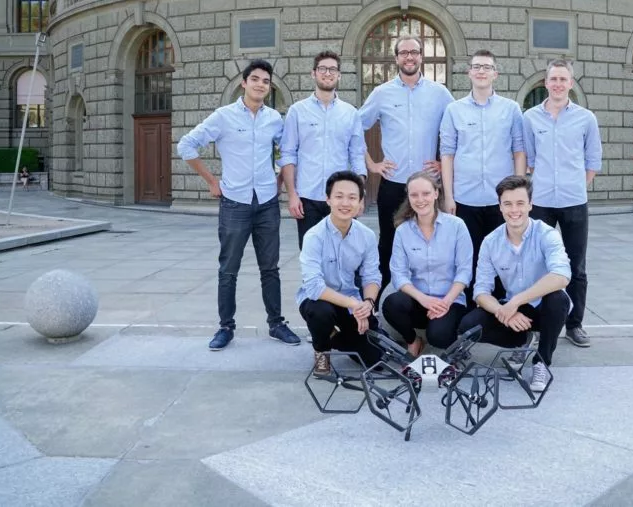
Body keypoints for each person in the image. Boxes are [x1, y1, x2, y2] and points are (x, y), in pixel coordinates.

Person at [177, 59, 301, 351]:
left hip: (267, 203)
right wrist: (211, 181)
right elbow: (186, 146)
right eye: (255, 79)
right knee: (228, 269)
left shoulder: (275, 119)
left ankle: (276, 324)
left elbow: (286, 154)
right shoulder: (223, 117)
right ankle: (225, 327)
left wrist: (281, 182)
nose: (260, 84)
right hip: (234, 203)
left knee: (270, 268)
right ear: (244, 83)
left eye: (266, 81)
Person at [359, 35, 453, 302]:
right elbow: (355, 128)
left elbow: (455, 131)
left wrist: (443, 162)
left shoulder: (440, 94)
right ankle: (373, 304)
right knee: (387, 245)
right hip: (394, 185)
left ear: (421, 56)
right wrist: (372, 164)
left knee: (430, 244)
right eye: (403, 52)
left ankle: (428, 302)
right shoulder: (382, 93)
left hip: (428, 187)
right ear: (396, 57)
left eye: (414, 52)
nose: (409, 57)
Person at [457, 175, 571, 393]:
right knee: (468, 326)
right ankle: (523, 341)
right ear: (500, 207)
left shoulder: (546, 234)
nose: (514, 210)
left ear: (530, 204)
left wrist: (516, 301)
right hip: (514, 311)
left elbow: (561, 275)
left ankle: (542, 362)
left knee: (558, 298)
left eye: (520, 203)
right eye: (507, 204)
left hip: (545, 308)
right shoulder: (491, 242)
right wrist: (504, 310)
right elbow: (480, 291)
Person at [523, 60, 602, 348]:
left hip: (573, 202)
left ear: (571, 83)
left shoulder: (586, 119)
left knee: (576, 265)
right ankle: (535, 323)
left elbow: (592, 161)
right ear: (546, 82)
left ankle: (575, 324)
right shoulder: (530, 117)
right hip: (541, 201)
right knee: (538, 264)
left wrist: (578, 186)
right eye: (553, 78)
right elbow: (528, 161)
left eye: (562, 79)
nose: (557, 84)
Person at [440, 50, 526, 305]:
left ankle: (499, 306)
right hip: (465, 198)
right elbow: (447, 155)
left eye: (486, 67)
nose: (481, 71)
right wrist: (448, 196)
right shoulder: (454, 110)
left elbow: (519, 150)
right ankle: (468, 308)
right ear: (469, 72)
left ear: (495, 74)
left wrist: (519, 194)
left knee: (502, 255)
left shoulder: (510, 109)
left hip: (501, 200)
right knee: (469, 256)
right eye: (476, 66)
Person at [297, 171, 383, 374]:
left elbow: (372, 276)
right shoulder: (314, 236)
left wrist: (367, 304)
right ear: (328, 199)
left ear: (360, 202)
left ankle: (333, 336)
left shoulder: (367, 236)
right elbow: (315, 287)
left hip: (350, 301)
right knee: (321, 313)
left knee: (375, 358)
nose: (345, 203)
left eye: (352, 197)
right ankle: (321, 350)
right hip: (319, 301)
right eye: (339, 196)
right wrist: (355, 304)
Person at [279, 51, 366, 248]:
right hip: (307, 198)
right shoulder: (297, 111)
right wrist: (292, 195)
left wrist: (359, 196)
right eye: (323, 69)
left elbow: (357, 155)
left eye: (333, 69)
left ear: (339, 75)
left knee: (343, 255)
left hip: (341, 199)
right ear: (313, 73)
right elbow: (288, 154)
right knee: (311, 256)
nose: (328, 73)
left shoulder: (350, 113)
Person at [384, 172, 472, 357]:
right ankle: (413, 341)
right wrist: (424, 299)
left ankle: (454, 340)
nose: (420, 199)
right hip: (419, 300)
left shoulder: (457, 226)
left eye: (425, 193)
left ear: (436, 194)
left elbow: (464, 272)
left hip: (450, 300)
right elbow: (398, 275)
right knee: (392, 304)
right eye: (414, 195)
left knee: (439, 336)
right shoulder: (403, 230)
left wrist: (445, 302)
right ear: (408, 197)